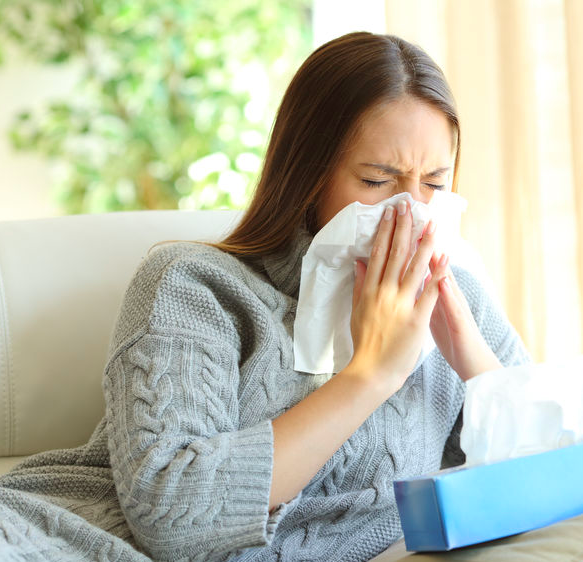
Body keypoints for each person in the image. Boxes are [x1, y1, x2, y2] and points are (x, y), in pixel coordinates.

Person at [0, 32, 530, 561]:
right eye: (376, 181)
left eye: (434, 183)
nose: (409, 214)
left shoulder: (456, 298)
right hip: (66, 540)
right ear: (308, 176)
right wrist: (371, 374)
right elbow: (173, 517)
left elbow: (550, 472)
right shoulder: (194, 286)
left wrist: (476, 365)